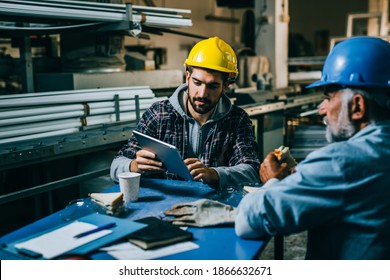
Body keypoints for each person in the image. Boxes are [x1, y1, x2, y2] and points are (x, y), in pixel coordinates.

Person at [235, 36, 390, 259]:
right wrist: (304, 175)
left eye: (329, 97)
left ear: (357, 105)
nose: (322, 109)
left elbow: (247, 222)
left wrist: (272, 181)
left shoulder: (341, 162)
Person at [110, 37, 260, 189]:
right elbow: (115, 166)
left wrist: (214, 174)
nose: (202, 93)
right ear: (187, 77)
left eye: (213, 86)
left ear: (226, 86)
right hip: (163, 207)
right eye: (197, 83)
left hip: (215, 207)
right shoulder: (158, 114)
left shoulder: (237, 120)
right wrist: (134, 166)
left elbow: (252, 171)